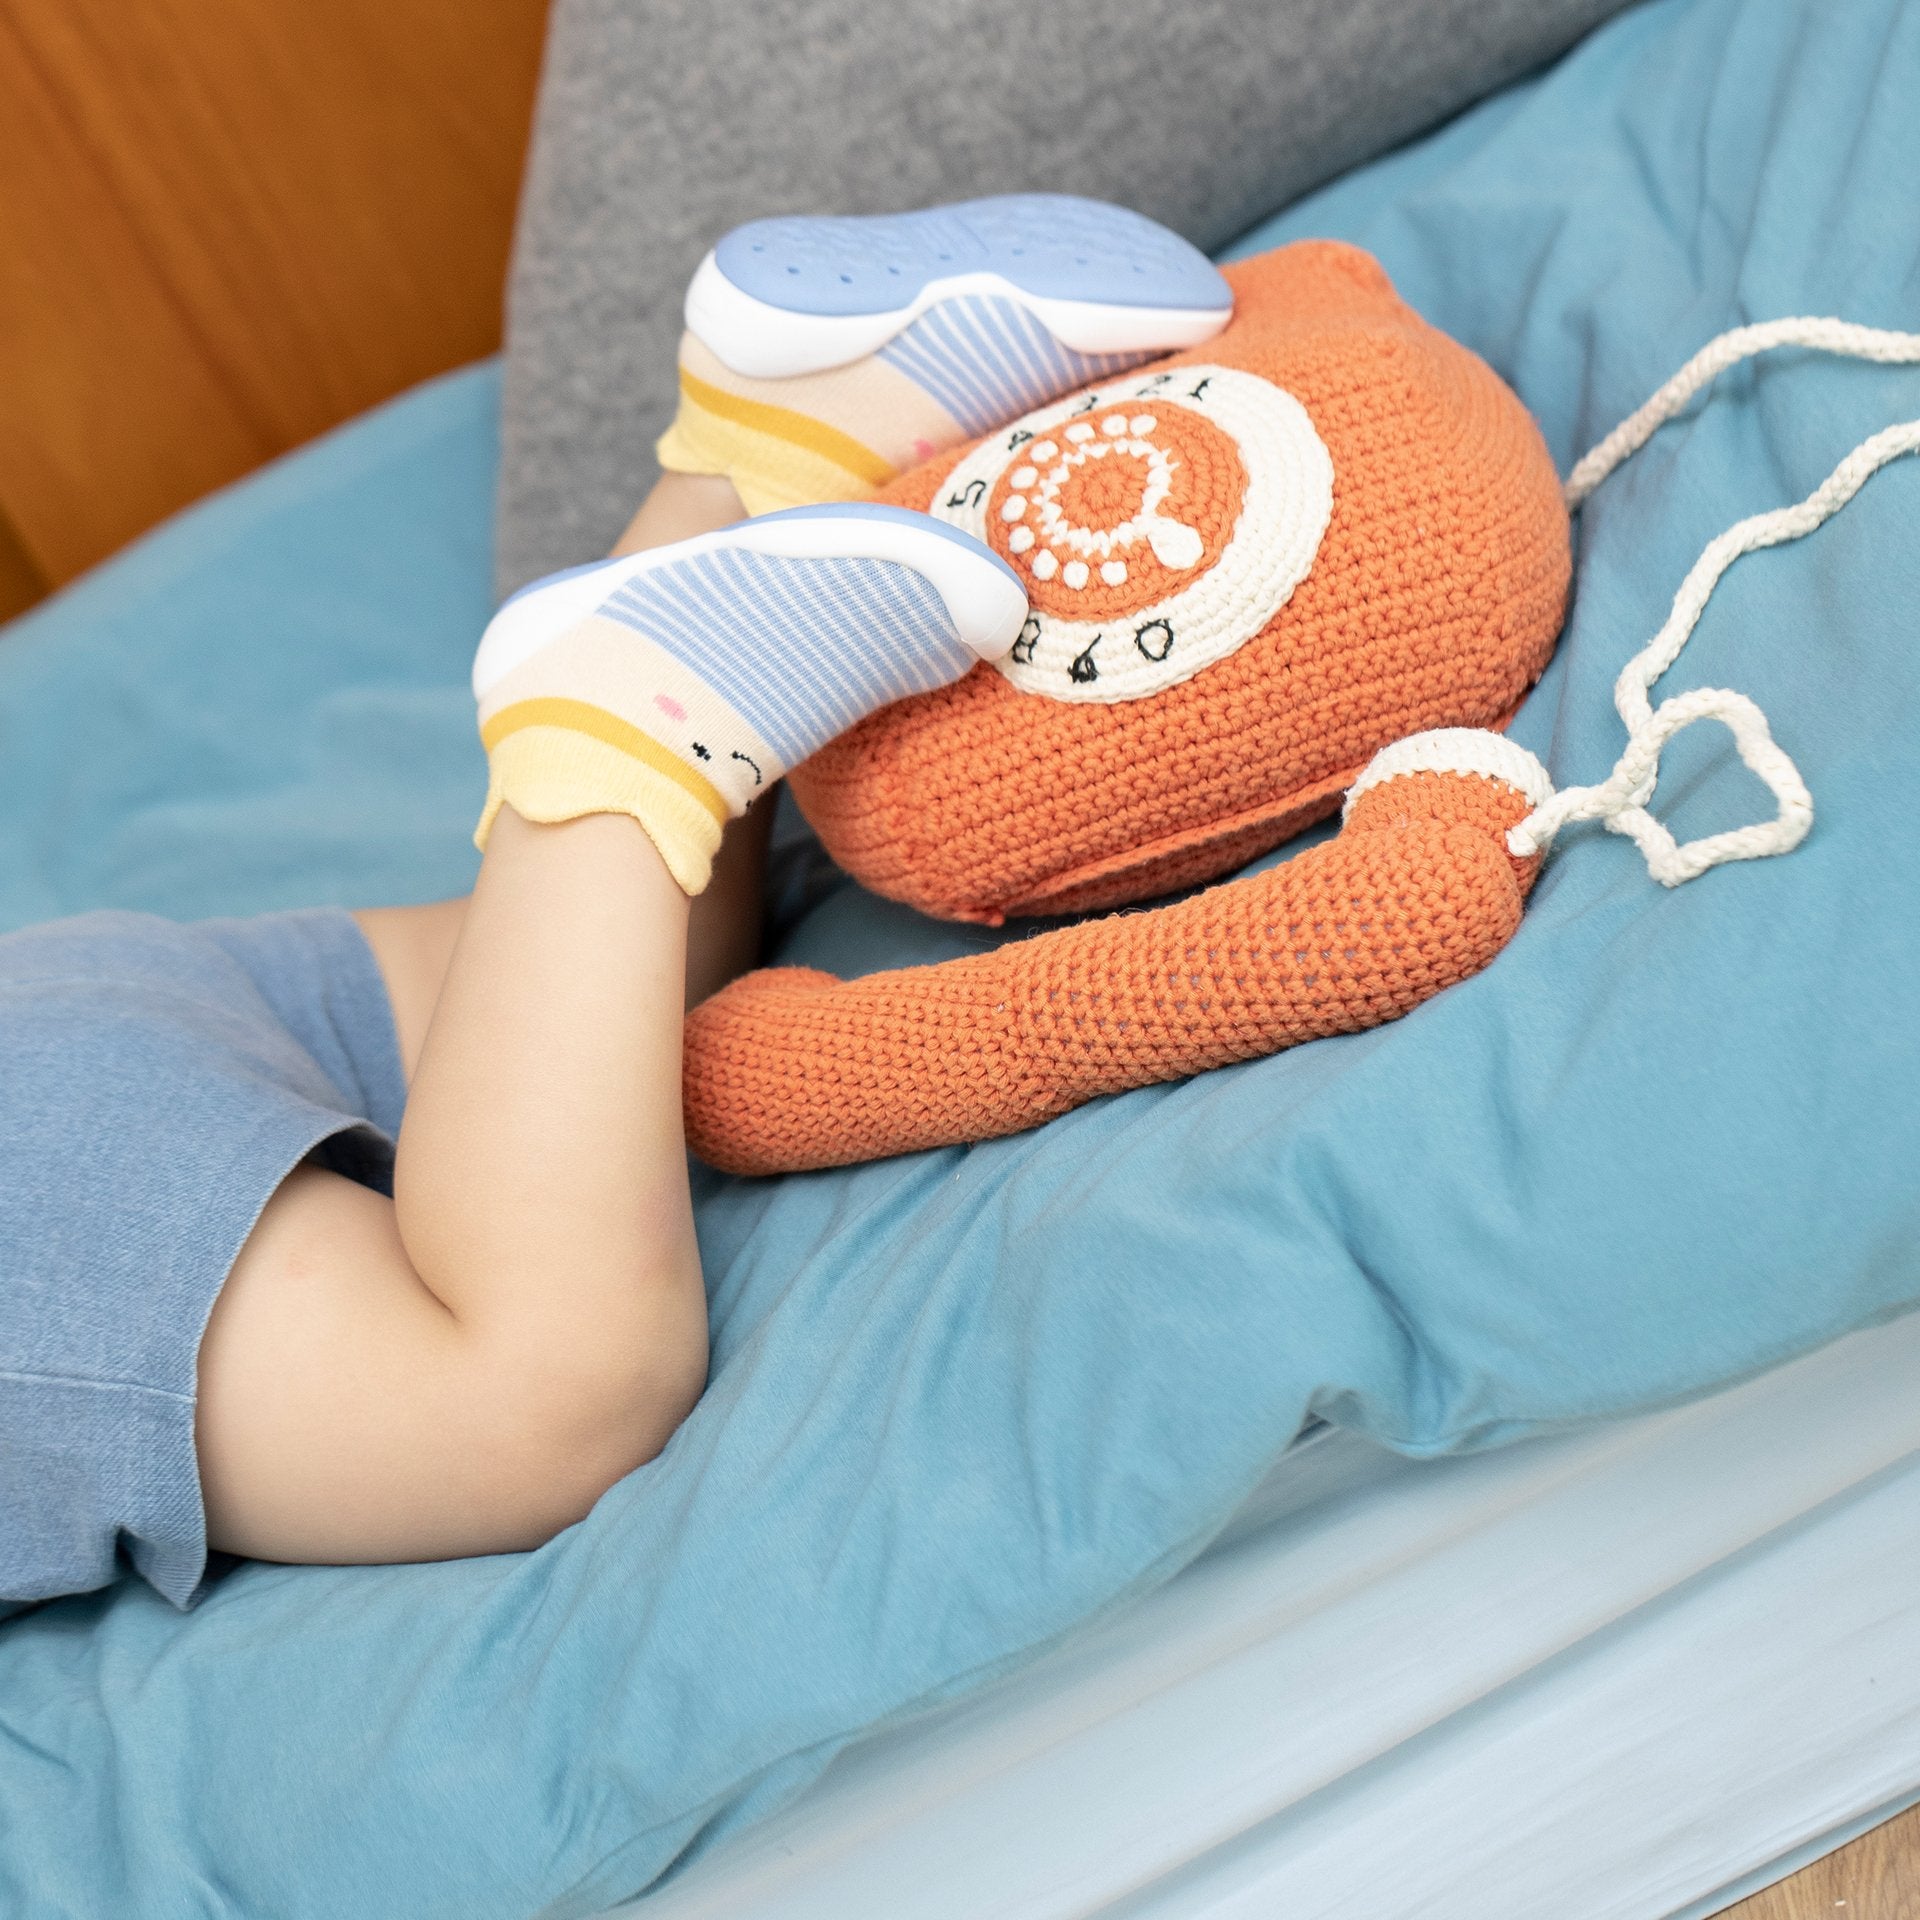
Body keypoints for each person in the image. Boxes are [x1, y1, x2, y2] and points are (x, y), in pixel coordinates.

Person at [0, 197, 1232, 1613]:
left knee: (536, 1396)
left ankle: (607, 732)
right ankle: (765, 455)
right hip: (59, 1024)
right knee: (598, 1013)